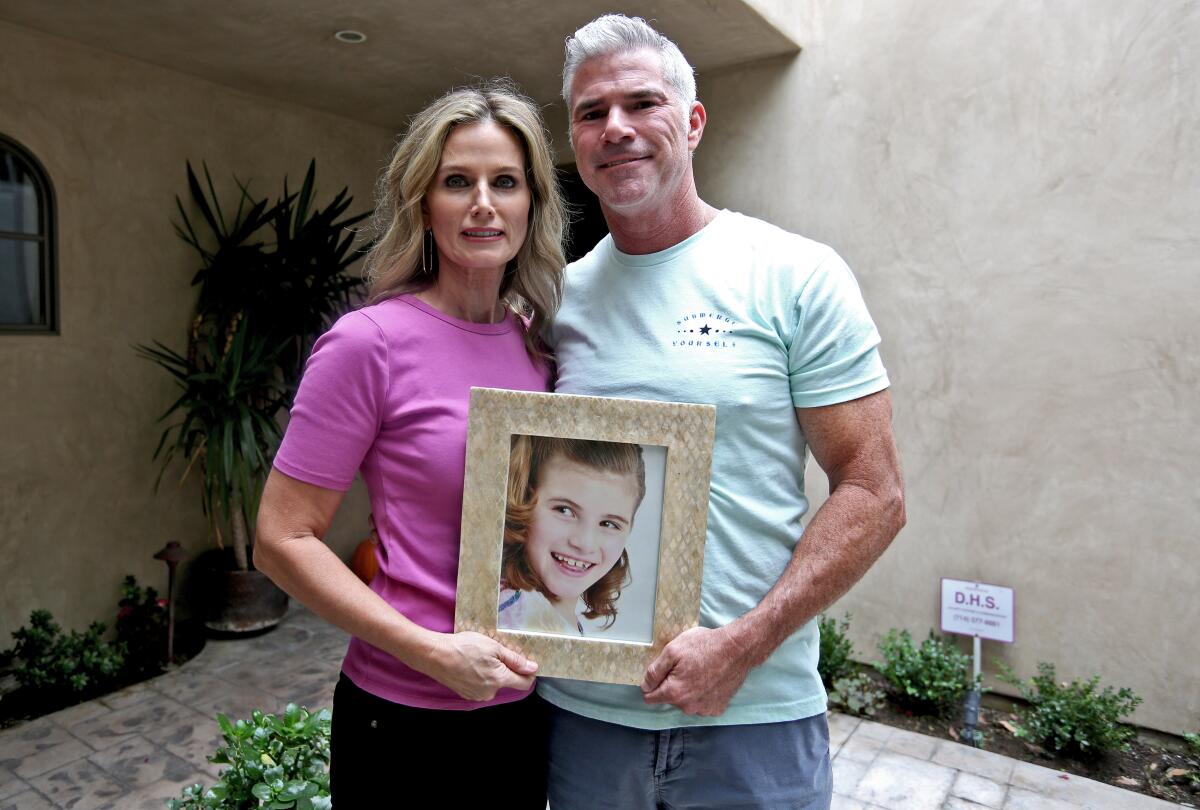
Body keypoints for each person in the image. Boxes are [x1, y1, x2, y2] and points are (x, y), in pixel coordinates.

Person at [540, 15, 906, 810]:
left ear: (694, 121)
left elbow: (874, 493)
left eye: (643, 103)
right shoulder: (554, 302)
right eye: (591, 112)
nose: (617, 129)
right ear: (573, 137)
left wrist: (745, 644)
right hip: (581, 721)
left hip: (755, 714)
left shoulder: (795, 275)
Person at [253, 79, 566, 807]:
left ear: (532, 205)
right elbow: (280, 538)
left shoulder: (539, 349)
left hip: (523, 712)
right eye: (458, 181)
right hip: (402, 718)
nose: (483, 202)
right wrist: (431, 652)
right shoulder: (368, 343)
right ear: (424, 204)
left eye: (506, 182)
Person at [497, 435, 646, 636]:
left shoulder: (553, 620)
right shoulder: (511, 614)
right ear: (524, 501)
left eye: (609, 524)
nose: (585, 543)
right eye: (564, 510)